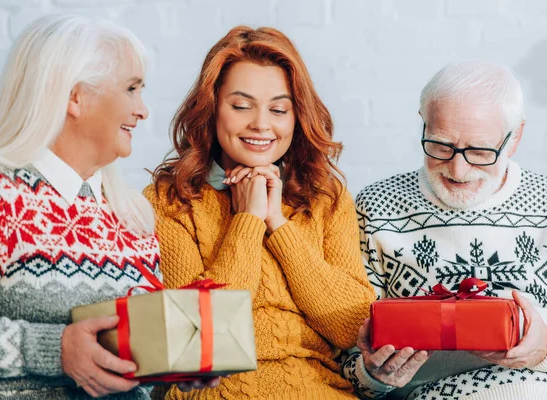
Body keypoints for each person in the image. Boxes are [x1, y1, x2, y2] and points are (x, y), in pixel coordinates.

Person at [0, 15, 217, 399]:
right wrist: (56, 350)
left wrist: (170, 364)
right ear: (75, 97)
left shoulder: (131, 215)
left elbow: (126, 362)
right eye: (131, 89)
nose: (143, 110)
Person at [144, 25, 377, 399]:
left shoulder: (325, 197)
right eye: (241, 106)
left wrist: (278, 224)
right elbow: (198, 339)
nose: (261, 124)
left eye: (279, 109)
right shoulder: (170, 201)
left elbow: (354, 326)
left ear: (297, 116)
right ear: (211, 107)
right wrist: (247, 221)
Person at [343, 60, 547, 399]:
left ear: (515, 138)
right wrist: (374, 374)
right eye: (441, 146)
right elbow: (342, 362)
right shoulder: (375, 207)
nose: (458, 170)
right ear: (423, 125)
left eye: (479, 152)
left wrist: (545, 348)